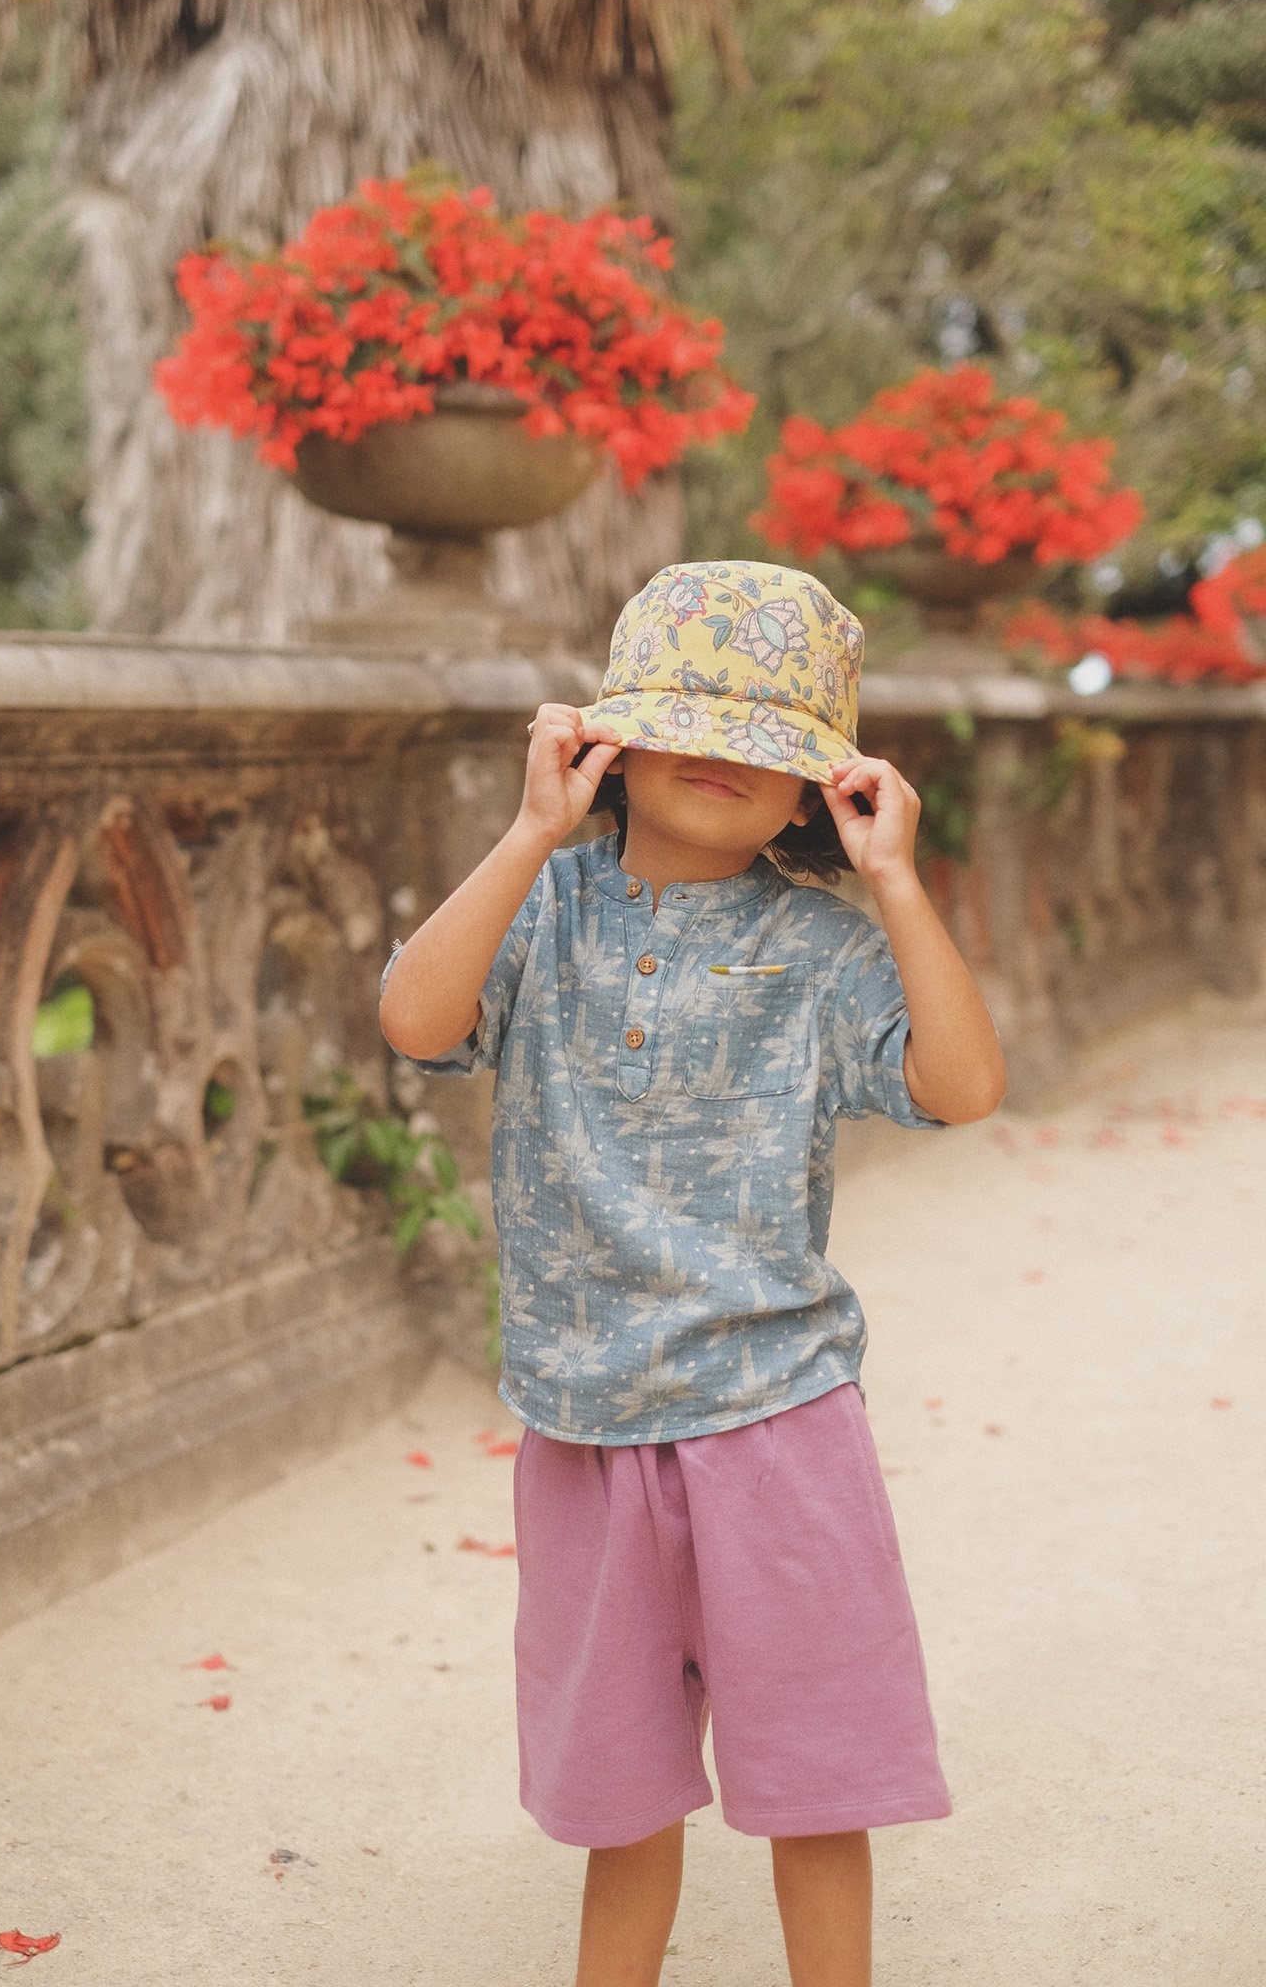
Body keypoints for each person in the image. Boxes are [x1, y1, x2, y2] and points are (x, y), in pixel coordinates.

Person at [378, 560, 1006, 1987]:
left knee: (820, 1777)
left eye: (772, 744)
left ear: (816, 792)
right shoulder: (546, 912)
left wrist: (895, 879)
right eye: (691, 723)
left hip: (778, 1418)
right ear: (609, 743)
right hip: (586, 1420)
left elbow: (962, 1086)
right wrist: (532, 834)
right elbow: (419, 1022)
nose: (727, 759)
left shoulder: (826, 946)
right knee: (622, 1791)